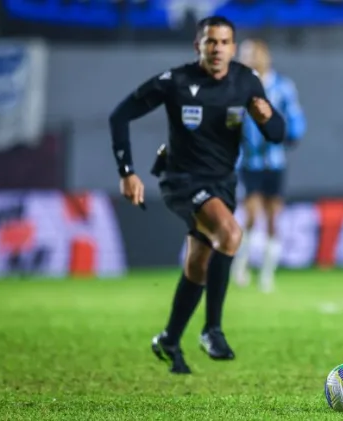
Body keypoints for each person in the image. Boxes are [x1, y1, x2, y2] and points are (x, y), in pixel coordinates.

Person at [108, 16, 286, 374]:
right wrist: (127, 172)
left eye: (224, 42)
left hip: (223, 183)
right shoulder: (176, 81)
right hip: (181, 179)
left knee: (198, 265)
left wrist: (267, 118)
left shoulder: (246, 81)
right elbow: (120, 115)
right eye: (210, 42)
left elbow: (277, 134)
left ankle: (169, 339)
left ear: (233, 48)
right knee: (231, 233)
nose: (217, 48)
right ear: (198, 46)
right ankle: (212, 330)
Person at [231, 39, 306, 293]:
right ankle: (241, 265)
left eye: (253, 54)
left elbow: (294, 118)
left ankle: (266, 274)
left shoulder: (282, 87)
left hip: (275, 163)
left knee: (274, 218)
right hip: (248, 162)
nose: (249, 59)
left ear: (265, 56)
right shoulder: (238, 88)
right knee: (251, 215)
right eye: (245, 55)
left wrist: (293, 133)